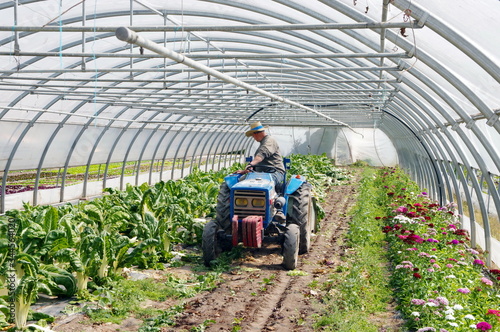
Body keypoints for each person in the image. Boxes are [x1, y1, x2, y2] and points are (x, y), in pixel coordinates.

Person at [236, 121, 285, 193]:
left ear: (257, 133)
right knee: (240, 182)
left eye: (253, 135)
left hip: (274, 172)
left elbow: (261, 155)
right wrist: (245, 171)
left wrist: (251, 164)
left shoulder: (269, 141)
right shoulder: (262, 142)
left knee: (264, 185)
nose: (253, 138)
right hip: (260, 172)